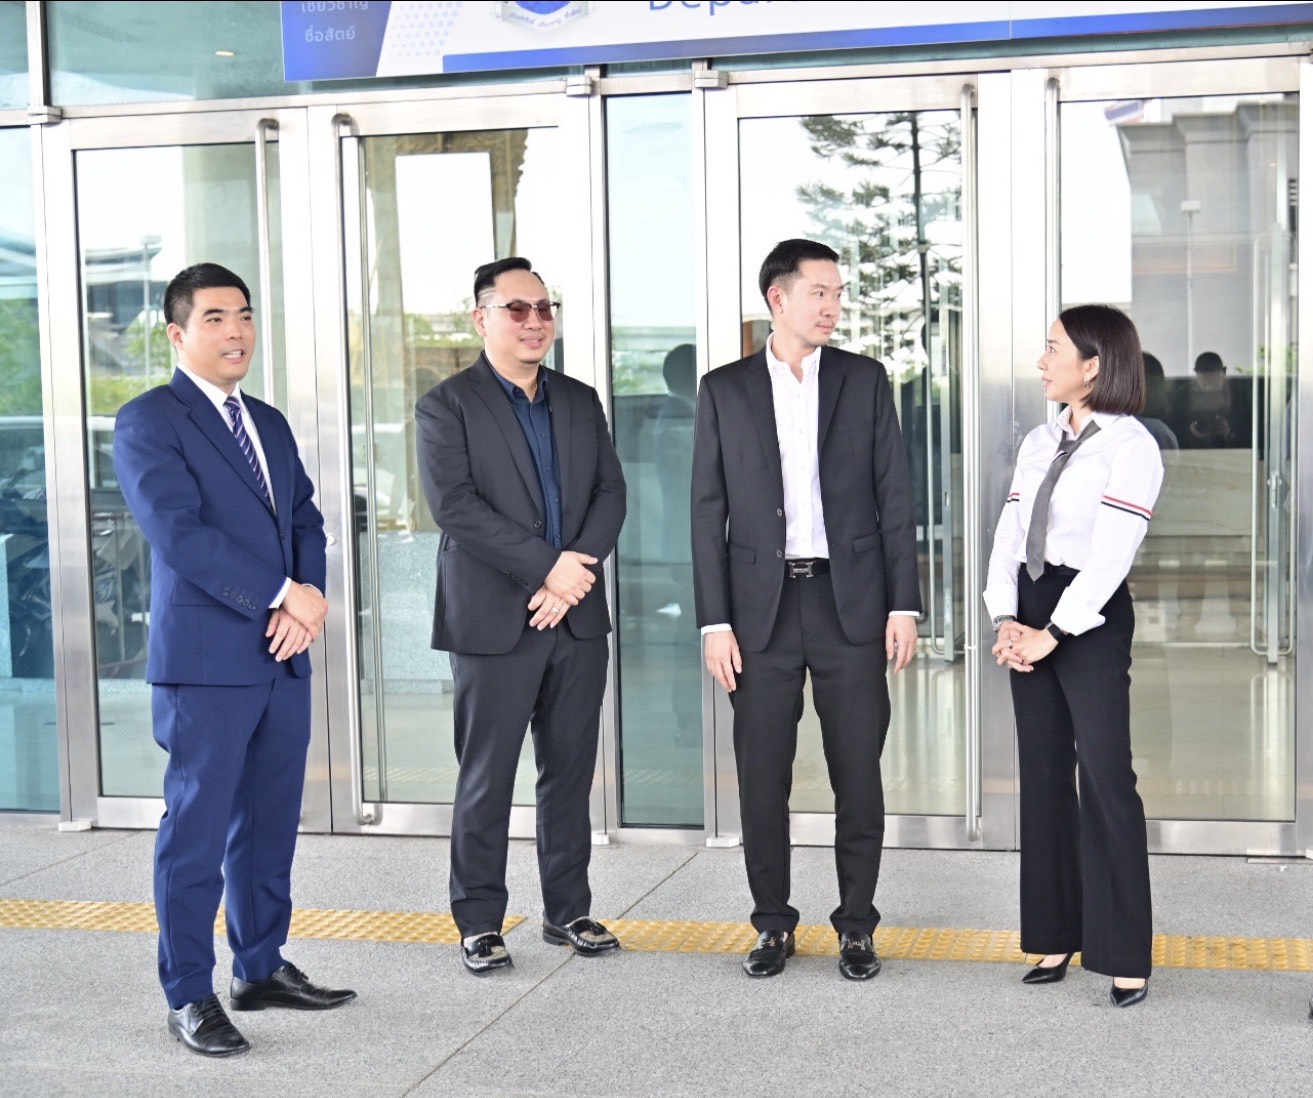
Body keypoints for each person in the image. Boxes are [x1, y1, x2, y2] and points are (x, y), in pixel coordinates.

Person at [113, 263, 355, 1058]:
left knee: (270, 821)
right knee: (198, 829)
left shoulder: (268, 422)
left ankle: (260, 966)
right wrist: (282, 594)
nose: (236, 331)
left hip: (282, 654)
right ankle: (189, 992)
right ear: (177, 333)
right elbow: (179, 534)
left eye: (244, 315)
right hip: (207, 660)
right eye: (215, 318)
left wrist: (305, 598)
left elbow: (306, 519)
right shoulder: (150, 420)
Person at [690, 239, 921, 981]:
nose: (832, 307)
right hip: (758, 612)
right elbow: (707, 513)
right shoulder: (724, 389)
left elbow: (893, 497)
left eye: (838, 294)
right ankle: (771, 924)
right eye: (819, 292)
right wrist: (714, 622)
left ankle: (857, 926)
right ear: (778, 298)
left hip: (849, 603)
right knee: (762, 776)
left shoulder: (863, 379)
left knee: (858, 772)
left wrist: (904, 605)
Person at [415, 256, 627, 975]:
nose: (535, 321)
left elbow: (610, 492)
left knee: (569, 772)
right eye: (517, 309)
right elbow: (455, 507)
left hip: (574, 615)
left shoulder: (578, 400)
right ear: (482, 318)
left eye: (544, 308)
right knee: (488, 775)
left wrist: (572, 574)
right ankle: (479, 921)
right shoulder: (447, 405)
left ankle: (567, 910)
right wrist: (547, 568)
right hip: (493, 621)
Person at [983, 304, 1163, 1008]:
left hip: (1088, 612)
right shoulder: (1040, 439)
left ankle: (1123, 953)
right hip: (1029, 602)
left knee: (1106, 776)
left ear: (1092, 365)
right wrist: (1004, 616)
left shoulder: (1130, 446)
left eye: (1053, 348)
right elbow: (1009, 533)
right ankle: (1055, 934)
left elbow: (1112, 556)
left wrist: (1052, 633)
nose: (1041, 360)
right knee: (1044, 773)